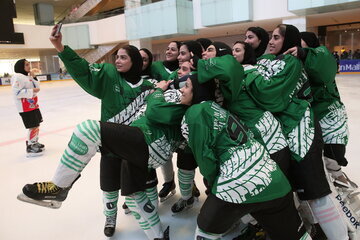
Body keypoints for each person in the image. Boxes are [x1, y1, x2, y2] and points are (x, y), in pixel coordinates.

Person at [18, 77, 194, 240]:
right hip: (149, 147)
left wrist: (158, 90)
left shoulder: (183, 108)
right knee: (133, 196)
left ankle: (58, 187)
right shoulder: (184, 104)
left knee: (87, 130)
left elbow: (155, 111)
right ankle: (158, 235)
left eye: (187, 87)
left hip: (147, 140)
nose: (182, 89)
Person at [48, 25, 157, 237]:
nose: (117, 60)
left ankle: (144, 212)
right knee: (109, 184)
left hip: (135, 147)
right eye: (117, 56)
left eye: (123, 57)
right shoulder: (108, 75)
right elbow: (83, 69)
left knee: (138, 183)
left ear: (134, 61)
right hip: (109, 144)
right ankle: (110, 217)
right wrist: (59, 46)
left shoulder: (149, 85)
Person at [180, 74, 311, 240]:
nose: (182, 90)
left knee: (205, 231)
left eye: (187, 86)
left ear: (198, 90)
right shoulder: (219, 109)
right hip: (274, 179)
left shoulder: (196, 111)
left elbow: (205, 158)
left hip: (239, 182)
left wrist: (215, 187)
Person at [252, 24, 349, 240]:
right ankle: (315, 230)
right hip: (285, 135)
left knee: (317, 194)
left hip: (302, 131)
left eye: (276, 37)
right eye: (271, 37)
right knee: (298, 194)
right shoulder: (274, 61)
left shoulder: (295, 60)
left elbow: (271, 98)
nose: (271, 41)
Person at [11, 59, 45, 157]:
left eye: (28, 64)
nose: (29, 66)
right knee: (32, 126)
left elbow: (37, 87)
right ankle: (30, 146)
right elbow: (16, 93)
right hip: (25, 107)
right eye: (26, 65)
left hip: (33, 105)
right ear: (20, 67)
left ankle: (34, 142)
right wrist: (31, 90)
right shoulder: (18, 77)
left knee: (36, 124)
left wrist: (34, 77)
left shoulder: (27, 76)